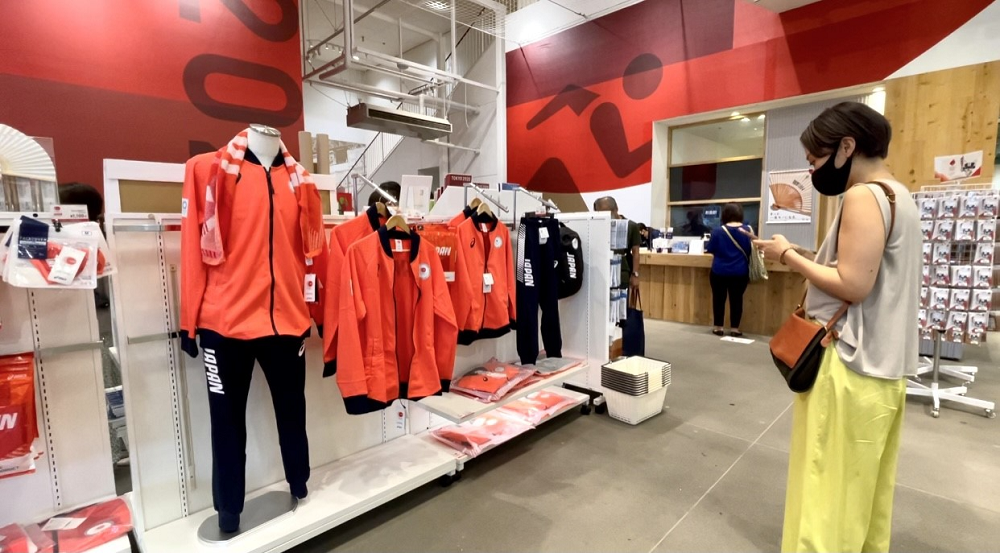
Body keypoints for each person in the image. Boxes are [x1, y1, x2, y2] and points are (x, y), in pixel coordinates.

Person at [749, 102, 919, 553]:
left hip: (848, 365)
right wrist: (802, 251)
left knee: (826, 492)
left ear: (847, 146)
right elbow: (864, 272)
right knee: (863, 495)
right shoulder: (900, 197)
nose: (812, 172)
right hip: (883, 369)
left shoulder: (863, 196)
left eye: (814, 160)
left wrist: (787, 256)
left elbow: (852, 284)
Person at [705, 203, 751, 337]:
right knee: (737, 300)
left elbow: (711, 249)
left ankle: (718, 327)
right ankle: (735, 329)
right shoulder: (747, 230)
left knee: (718, 299)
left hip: (719, 271)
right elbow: (749, 250)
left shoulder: (718, 231)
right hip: (740, 271)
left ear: (724, 215)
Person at [593, 196, 640, 293]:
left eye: (607, 211)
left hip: (622, 272)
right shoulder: (597, 225)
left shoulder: (631, 226)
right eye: (599, 212)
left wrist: (635, 274)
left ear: (616, 209)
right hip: (601, 273)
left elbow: (636, 252)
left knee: (620, 303)